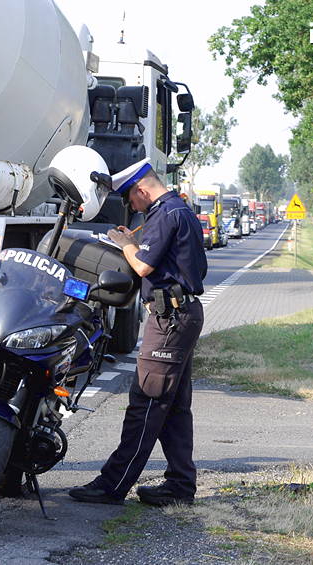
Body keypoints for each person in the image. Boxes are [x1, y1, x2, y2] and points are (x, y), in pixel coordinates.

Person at [69, 158, 207, 506]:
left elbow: (143, 264)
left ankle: (111, 485)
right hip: (181, 315)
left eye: (131, 198)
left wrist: (122, 242)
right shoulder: (178, 211)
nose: (131, 206)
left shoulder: (166, 214)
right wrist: (135, 241)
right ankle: (180, 486)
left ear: (143, 190)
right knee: (173, 407)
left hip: (170, 319)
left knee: (145, 401)